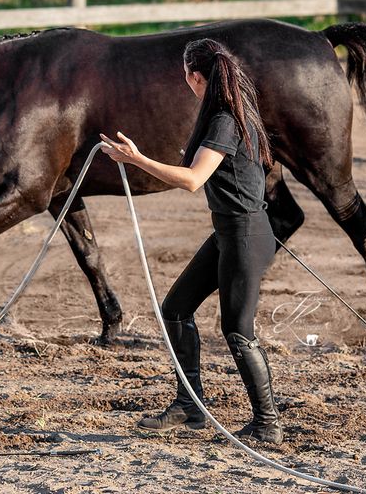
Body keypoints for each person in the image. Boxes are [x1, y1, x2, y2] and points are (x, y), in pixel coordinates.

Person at [98, 38, 282, 444]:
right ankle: (189, 406)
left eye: (186, 76)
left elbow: (194, 180)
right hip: (230, 232)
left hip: (245, 235)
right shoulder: (231, 112)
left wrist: (137, 159)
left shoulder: (224, 120)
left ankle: (268, 423)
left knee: (238, 330)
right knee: (176, 309)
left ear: (195, 76)